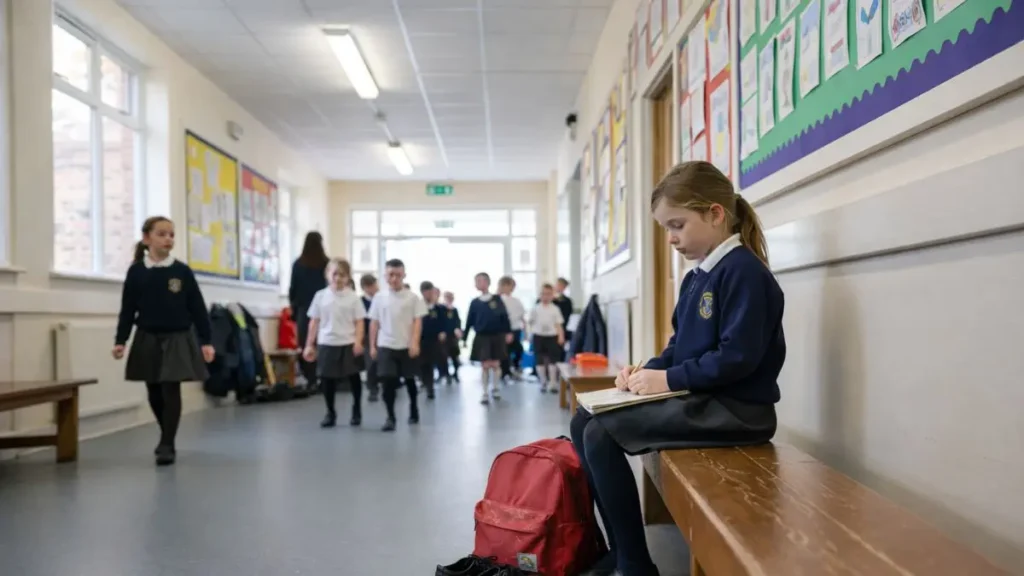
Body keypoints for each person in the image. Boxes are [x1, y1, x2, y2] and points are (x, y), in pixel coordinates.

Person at [570, 161, 785, 576]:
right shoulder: (696, 277)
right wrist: (642, 373)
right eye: (666, 228)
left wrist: (666, 380)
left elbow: (737, 359)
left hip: (739, 410)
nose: (670, 238)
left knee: (601, 433)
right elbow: (679, 348)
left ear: (715, 214)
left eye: (678, 225)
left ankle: (635, 565)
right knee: (584, 420)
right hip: (704, 397)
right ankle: (621, 549)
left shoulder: (744, 273)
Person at [112, 216, 214, 466]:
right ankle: (166, 431)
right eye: (162, 234)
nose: (168, 239)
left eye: (171, 234)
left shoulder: (181, 271)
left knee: (170, 388)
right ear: (147, 238)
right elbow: (127, 309)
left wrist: (206, 341)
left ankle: (167, 443)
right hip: (147, 336)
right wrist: (121, 340)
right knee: (154, 390)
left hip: (177, 337)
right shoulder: (137, 272)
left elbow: (197, 308)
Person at [303, 258, 366, 428]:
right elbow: (314, 321)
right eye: (335, 274)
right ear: (328, 275)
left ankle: (357, 409)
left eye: (342, 275)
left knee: (354, 378)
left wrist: (358, 342)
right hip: (327, 342)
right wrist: (310, 344)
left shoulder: (353, 298)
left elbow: (360, 322)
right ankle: (330, 412)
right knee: (327, 379)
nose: (338, 278)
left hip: (348, 342)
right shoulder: (320, 296)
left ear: (348, 278)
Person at [369, 259, 427, 432]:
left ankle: (414, 409)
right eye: (390, 275)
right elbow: (374, 323)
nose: (394, 279)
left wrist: (414, 343)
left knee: (410, 381)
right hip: (386, 345)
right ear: (385, 276)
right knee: (388, 382)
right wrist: (372, 346)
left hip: (406, 345)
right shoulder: (379, 298)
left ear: (404, 275)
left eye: (398, 275)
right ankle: (390, 417)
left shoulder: (412, 298)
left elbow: (417, 322)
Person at [289, 232, 329, 391]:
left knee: (306, 344)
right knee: (323, 343)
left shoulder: (298, 264)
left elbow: (293, 289)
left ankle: (310, 378)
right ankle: (323, 378)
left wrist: (294, 309)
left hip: (304, 310)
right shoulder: (326, 263)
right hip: (324, 309)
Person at [464, 272, 512, 404]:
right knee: (485, 365)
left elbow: (505, 317)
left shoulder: (497, 299)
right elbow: (469, 321)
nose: (478, 283)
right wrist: (464, 338)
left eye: (480, 280)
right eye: (476, 281)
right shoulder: (474, 302)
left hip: (497, 336)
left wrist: (508, 332)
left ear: (487, 282)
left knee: (496, 364)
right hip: (482, 337)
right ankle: (485, 392)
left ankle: (495, 388)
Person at [528, 283, 565, 393]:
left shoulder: (555, 309)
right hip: (538, 336)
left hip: (552, 336)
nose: (545, 296)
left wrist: (561, 336)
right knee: (539, 360)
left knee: (553, 360)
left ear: (552, 295)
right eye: (543, 294)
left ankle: (552, 383)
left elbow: (558, 324)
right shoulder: (535, 309)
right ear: (539, 295)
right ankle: (543, 381)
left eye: (548, 294)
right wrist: (529, 335)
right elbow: (530, 323)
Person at [417, 282, 446, 400]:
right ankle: (423, 382)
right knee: (421, 363)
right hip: (420, 339)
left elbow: (443, 322)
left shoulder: (439, 308)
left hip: (434, 340)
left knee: (430, 363)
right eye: (426, 292)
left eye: (430, 291)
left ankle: (430, 387)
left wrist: (443, 332)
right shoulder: (417, 307)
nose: (428, 294)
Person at [498, 276, 526, 381]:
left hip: (515, 329)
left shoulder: (516, 301)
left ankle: (515, 366)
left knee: (518, 349)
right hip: (502, 330)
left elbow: (522, 316)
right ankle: (505, 372)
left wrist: (525, 331)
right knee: (504, 352)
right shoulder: (498, 300)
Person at [359, 274, 380, 402]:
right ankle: (373, 388)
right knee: (371, 363)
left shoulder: (381, 299)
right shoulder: (360, 302)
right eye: (372, 286)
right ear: (365, 288)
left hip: (382, 335)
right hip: (367, 336)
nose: (375, 288)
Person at [441, 291, 463, 384]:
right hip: (444, 337)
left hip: (453, 337)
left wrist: (457, 329)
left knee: (455, 356)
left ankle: (456, 373)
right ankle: (446, 374)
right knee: (444, 357)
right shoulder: (441, 309)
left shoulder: (454, 310)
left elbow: (457, 321)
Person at [554, 277, 574, 359]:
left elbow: (567, 315)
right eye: (558, 285)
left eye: (562, 286)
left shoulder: (567, 301)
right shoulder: (549, 299)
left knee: (559, 350)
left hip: (561, 328)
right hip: (548, 329)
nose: (559, 287)